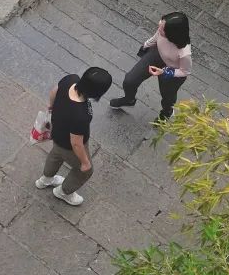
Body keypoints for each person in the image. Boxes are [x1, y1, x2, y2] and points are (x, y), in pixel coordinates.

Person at [35, 67, 113, 205]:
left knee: (55, 154)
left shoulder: (70, 79)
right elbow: (76, 143)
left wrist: (51, 107)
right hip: (69, 146)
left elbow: (54, 91)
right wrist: (85, 162)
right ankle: (63, 192)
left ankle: (45, 180)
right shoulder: (80, 115)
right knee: (84, 172)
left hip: (56, 132)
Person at [109, 11, 191, 119]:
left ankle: (166, 113)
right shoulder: (162, 29)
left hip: (172, 71)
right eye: (160, 24)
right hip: (156, 55)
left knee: (168, 97)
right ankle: (129, 99)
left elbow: (185, 71)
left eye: (162, 28)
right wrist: (145, 46)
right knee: (130, 80)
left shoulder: (184, 53)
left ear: (173, 33)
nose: (159, 27)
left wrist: (164, 72)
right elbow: (155, 38)